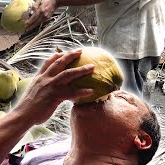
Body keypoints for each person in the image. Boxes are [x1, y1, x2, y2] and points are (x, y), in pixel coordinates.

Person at [0, 49, 161, 165]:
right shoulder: (51, 148)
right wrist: (26, 113)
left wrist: (24, 114)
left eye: (124, 99)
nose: (110, 94)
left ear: (141, 139)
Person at [25, 0, 165, 97]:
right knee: (122, 101)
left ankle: (130, 138)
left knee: (126, 106)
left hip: (131, 40)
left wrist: (56, 2)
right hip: (133, 33)